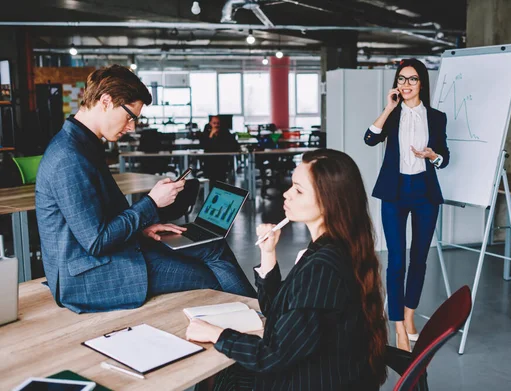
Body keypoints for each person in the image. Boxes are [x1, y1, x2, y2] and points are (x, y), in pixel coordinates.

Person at [35, 65, 256, 314]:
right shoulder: (69, 156)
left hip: (105, 256)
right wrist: (151, 203)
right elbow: (96, 242)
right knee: (209, 277)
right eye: (130, 116)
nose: (132, 127)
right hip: (88, 276)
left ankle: (265, 317)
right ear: (105, 101)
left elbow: (98, 220)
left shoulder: (83, 144)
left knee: (214, 247)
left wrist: (143, 227)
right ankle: (263, 327)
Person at [185, 149, 388, 390]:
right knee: (221, 371)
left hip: (306, 379)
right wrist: (269, 254)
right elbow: (278, 312)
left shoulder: (322, 268)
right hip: (318, 370)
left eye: (299, 190)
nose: (286, 194)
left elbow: (273, 356)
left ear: (328, 202)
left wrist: (217, 334)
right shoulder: (336, 247)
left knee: (216, 375)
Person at [364, 58, 450, 352]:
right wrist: (388, 107)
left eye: (412, 79)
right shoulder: (393, 115)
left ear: (422, 83)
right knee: (397, 261)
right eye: (401, 79)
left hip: (425, 193)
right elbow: (369, 139)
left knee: (419, 260)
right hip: (394, 191)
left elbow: (445, 157)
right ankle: (399, 327)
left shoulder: (437, 117)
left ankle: (410, 316)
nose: (406, 84)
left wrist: (432, 156)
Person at [199, 115, 240, 182]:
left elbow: (233, 145)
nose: (216, 125)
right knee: (211, 181)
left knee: (221, 181)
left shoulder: (224, 131)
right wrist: (211, 135)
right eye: (214, 123)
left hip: (222, 160)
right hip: (209, 161)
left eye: (218, 123)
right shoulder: (206, 131)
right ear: (210, 123)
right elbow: (203, 146)